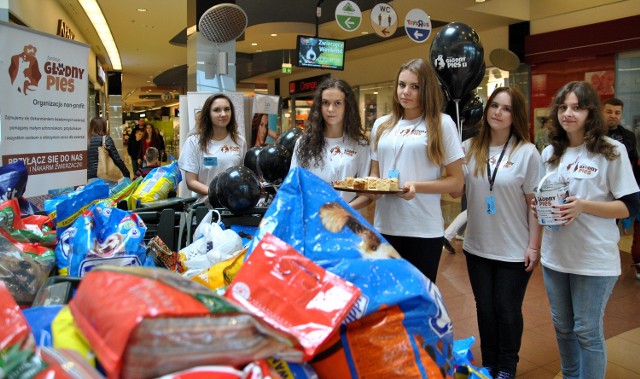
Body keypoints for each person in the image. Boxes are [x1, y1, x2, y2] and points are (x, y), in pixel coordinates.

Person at [536, 81, 639, 378]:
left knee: (586, 331)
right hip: (555, 256)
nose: (568, 114)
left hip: (593, 259)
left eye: (577, 108)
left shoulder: (611, 151)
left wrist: (583, 206)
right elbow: (549, 194)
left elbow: (630, 206)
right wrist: (541, 208)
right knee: (563, 328)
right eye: (563, 107)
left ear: (590, 112)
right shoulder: (551, 152)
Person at [460, 87, 541, 379]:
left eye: (506, 108)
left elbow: (535, 205)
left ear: (515, 115)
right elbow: (457, 188)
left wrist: (534, 246)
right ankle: (490, 363)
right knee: (485, 308)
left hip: (514, 248)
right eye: (494, 105)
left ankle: (507, 366)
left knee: (507, 310)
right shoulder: (470, 148)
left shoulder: (527, 152)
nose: (497, 112)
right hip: (477, 247)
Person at [365, 58, 465, 283]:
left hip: (423, 230)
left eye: (414, 86)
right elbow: (375, 173)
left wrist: (416, 187)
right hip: (385, 228)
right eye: (402, 85)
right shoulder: (382, 125)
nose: (406, 92)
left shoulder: (441, 123)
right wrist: (372, 186)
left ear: (427, 89)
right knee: (388, 302)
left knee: (418, 304)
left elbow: (456, 182)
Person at [290, 78, 371, 209]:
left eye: (338, 103)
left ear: (347, 107)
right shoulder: (304, 142)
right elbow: (294, 185)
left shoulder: (360, 145)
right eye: (325, 103)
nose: (330, 109)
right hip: (310, 219)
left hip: (345, 221)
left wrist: (345, 209)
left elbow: (366, 194)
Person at [179, 93, 247, 202]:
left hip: (234, 206)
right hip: (204, 207)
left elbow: (242, 176)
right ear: (208, 114)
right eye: (217, 110)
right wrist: (218, 193)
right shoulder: (194, 142)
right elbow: (191, 182)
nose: (223, 114)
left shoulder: (240, 141)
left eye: (227, 109)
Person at [603, 98, 640, 238]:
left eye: (617, 112)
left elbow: (633, 158)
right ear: (602, 112)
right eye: (609, 112)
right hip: (601, 184)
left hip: (620, 185)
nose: (613, 115)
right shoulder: (593, 135)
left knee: (615, 219)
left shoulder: (628, 136)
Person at [87, 116, 130, 183]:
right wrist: (126, 173)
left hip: (91, 178)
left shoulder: (86, 141)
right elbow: (117, 159)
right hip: (105, 176)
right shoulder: (106, 139)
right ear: (103, 127)